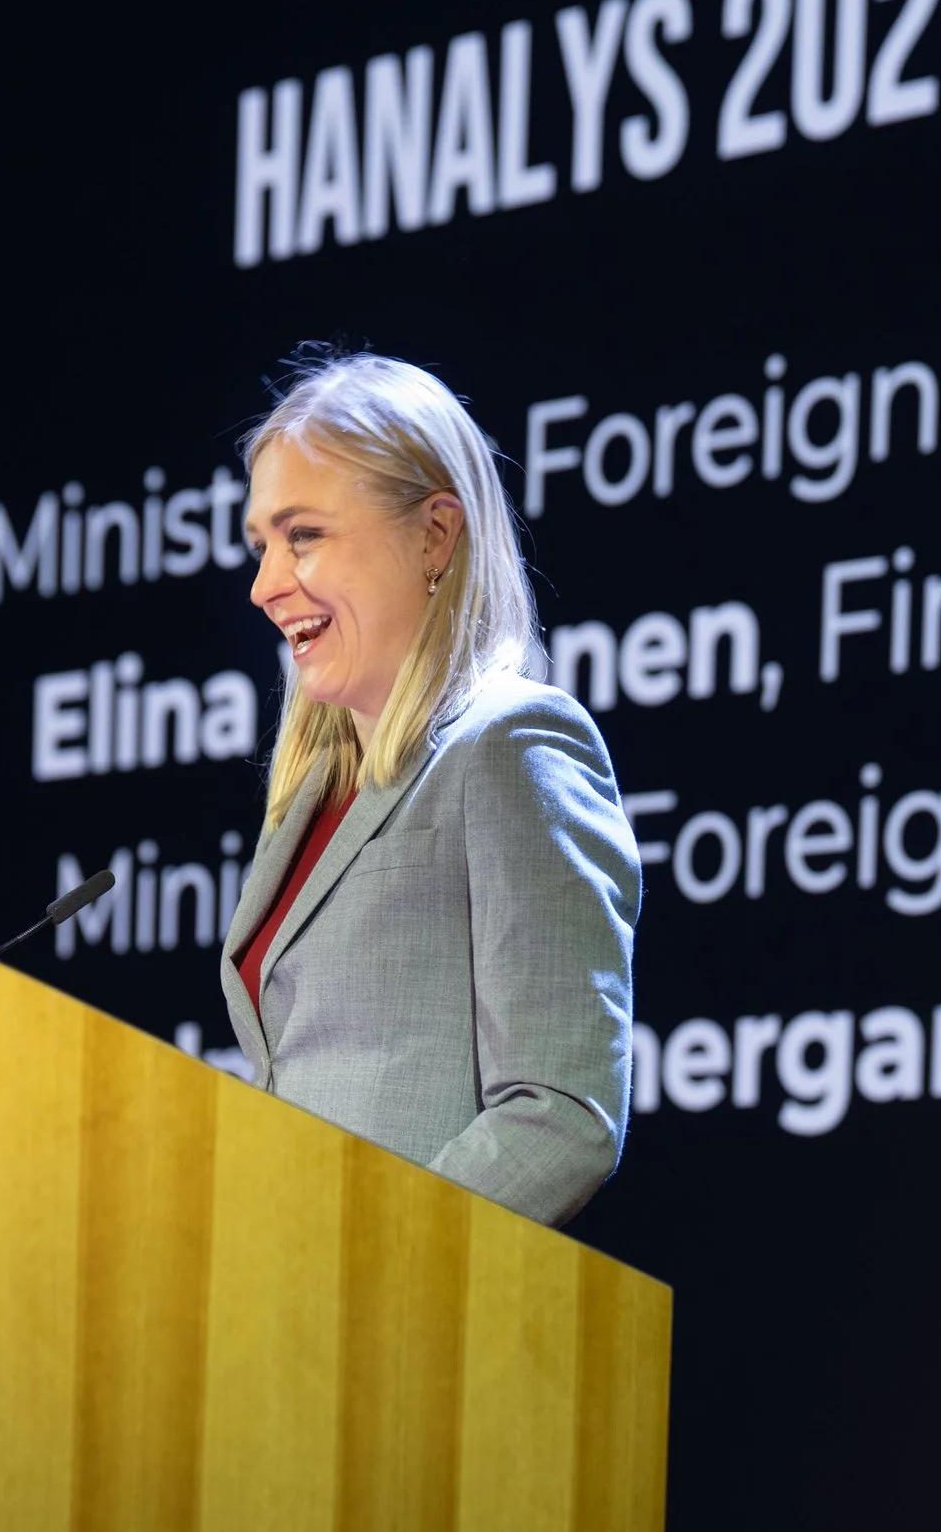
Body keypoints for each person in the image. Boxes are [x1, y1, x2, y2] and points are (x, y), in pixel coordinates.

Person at [219, 352, 640, 1227]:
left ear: (434, 536)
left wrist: (369, 1265)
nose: (264, 585)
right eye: (262, 543)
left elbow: (561, 1112)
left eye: (304, 535)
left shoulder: (512, 746)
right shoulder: (316, 794)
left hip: (401, 1321)